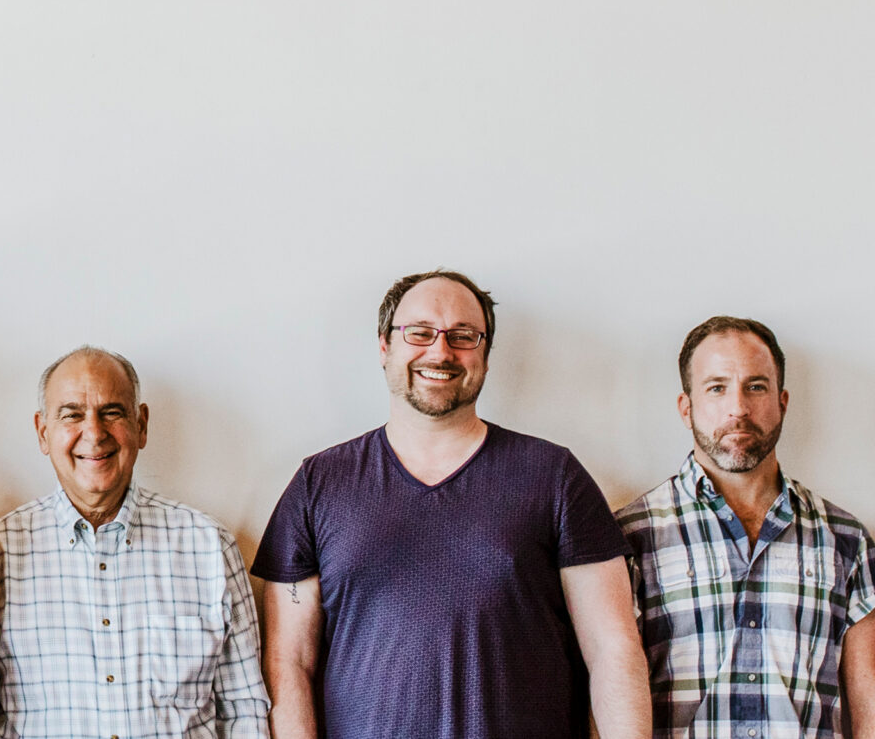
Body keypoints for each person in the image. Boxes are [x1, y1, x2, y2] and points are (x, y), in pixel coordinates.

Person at [252, 269, 649, 739]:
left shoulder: (555, 477)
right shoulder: (317, 484)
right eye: (419, 333)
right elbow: (288, 664)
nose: (441, 352)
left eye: (463, 336)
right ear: (385, 346)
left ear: (485, 354)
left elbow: (612, 649)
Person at [0, 346, 271, 738]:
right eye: (72, 414)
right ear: (43, 432)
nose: (94, 433)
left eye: (112, 412)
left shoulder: (209, 548)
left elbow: (245, 710)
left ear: (141, 425)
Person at [615, 316, 875, 738]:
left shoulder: (846, 539)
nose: (738, 408)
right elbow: (605, 690)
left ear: (782, 402)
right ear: (686, 407)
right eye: (717, 387)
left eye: (756, 386)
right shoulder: (631, 535)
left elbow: (874, 701)